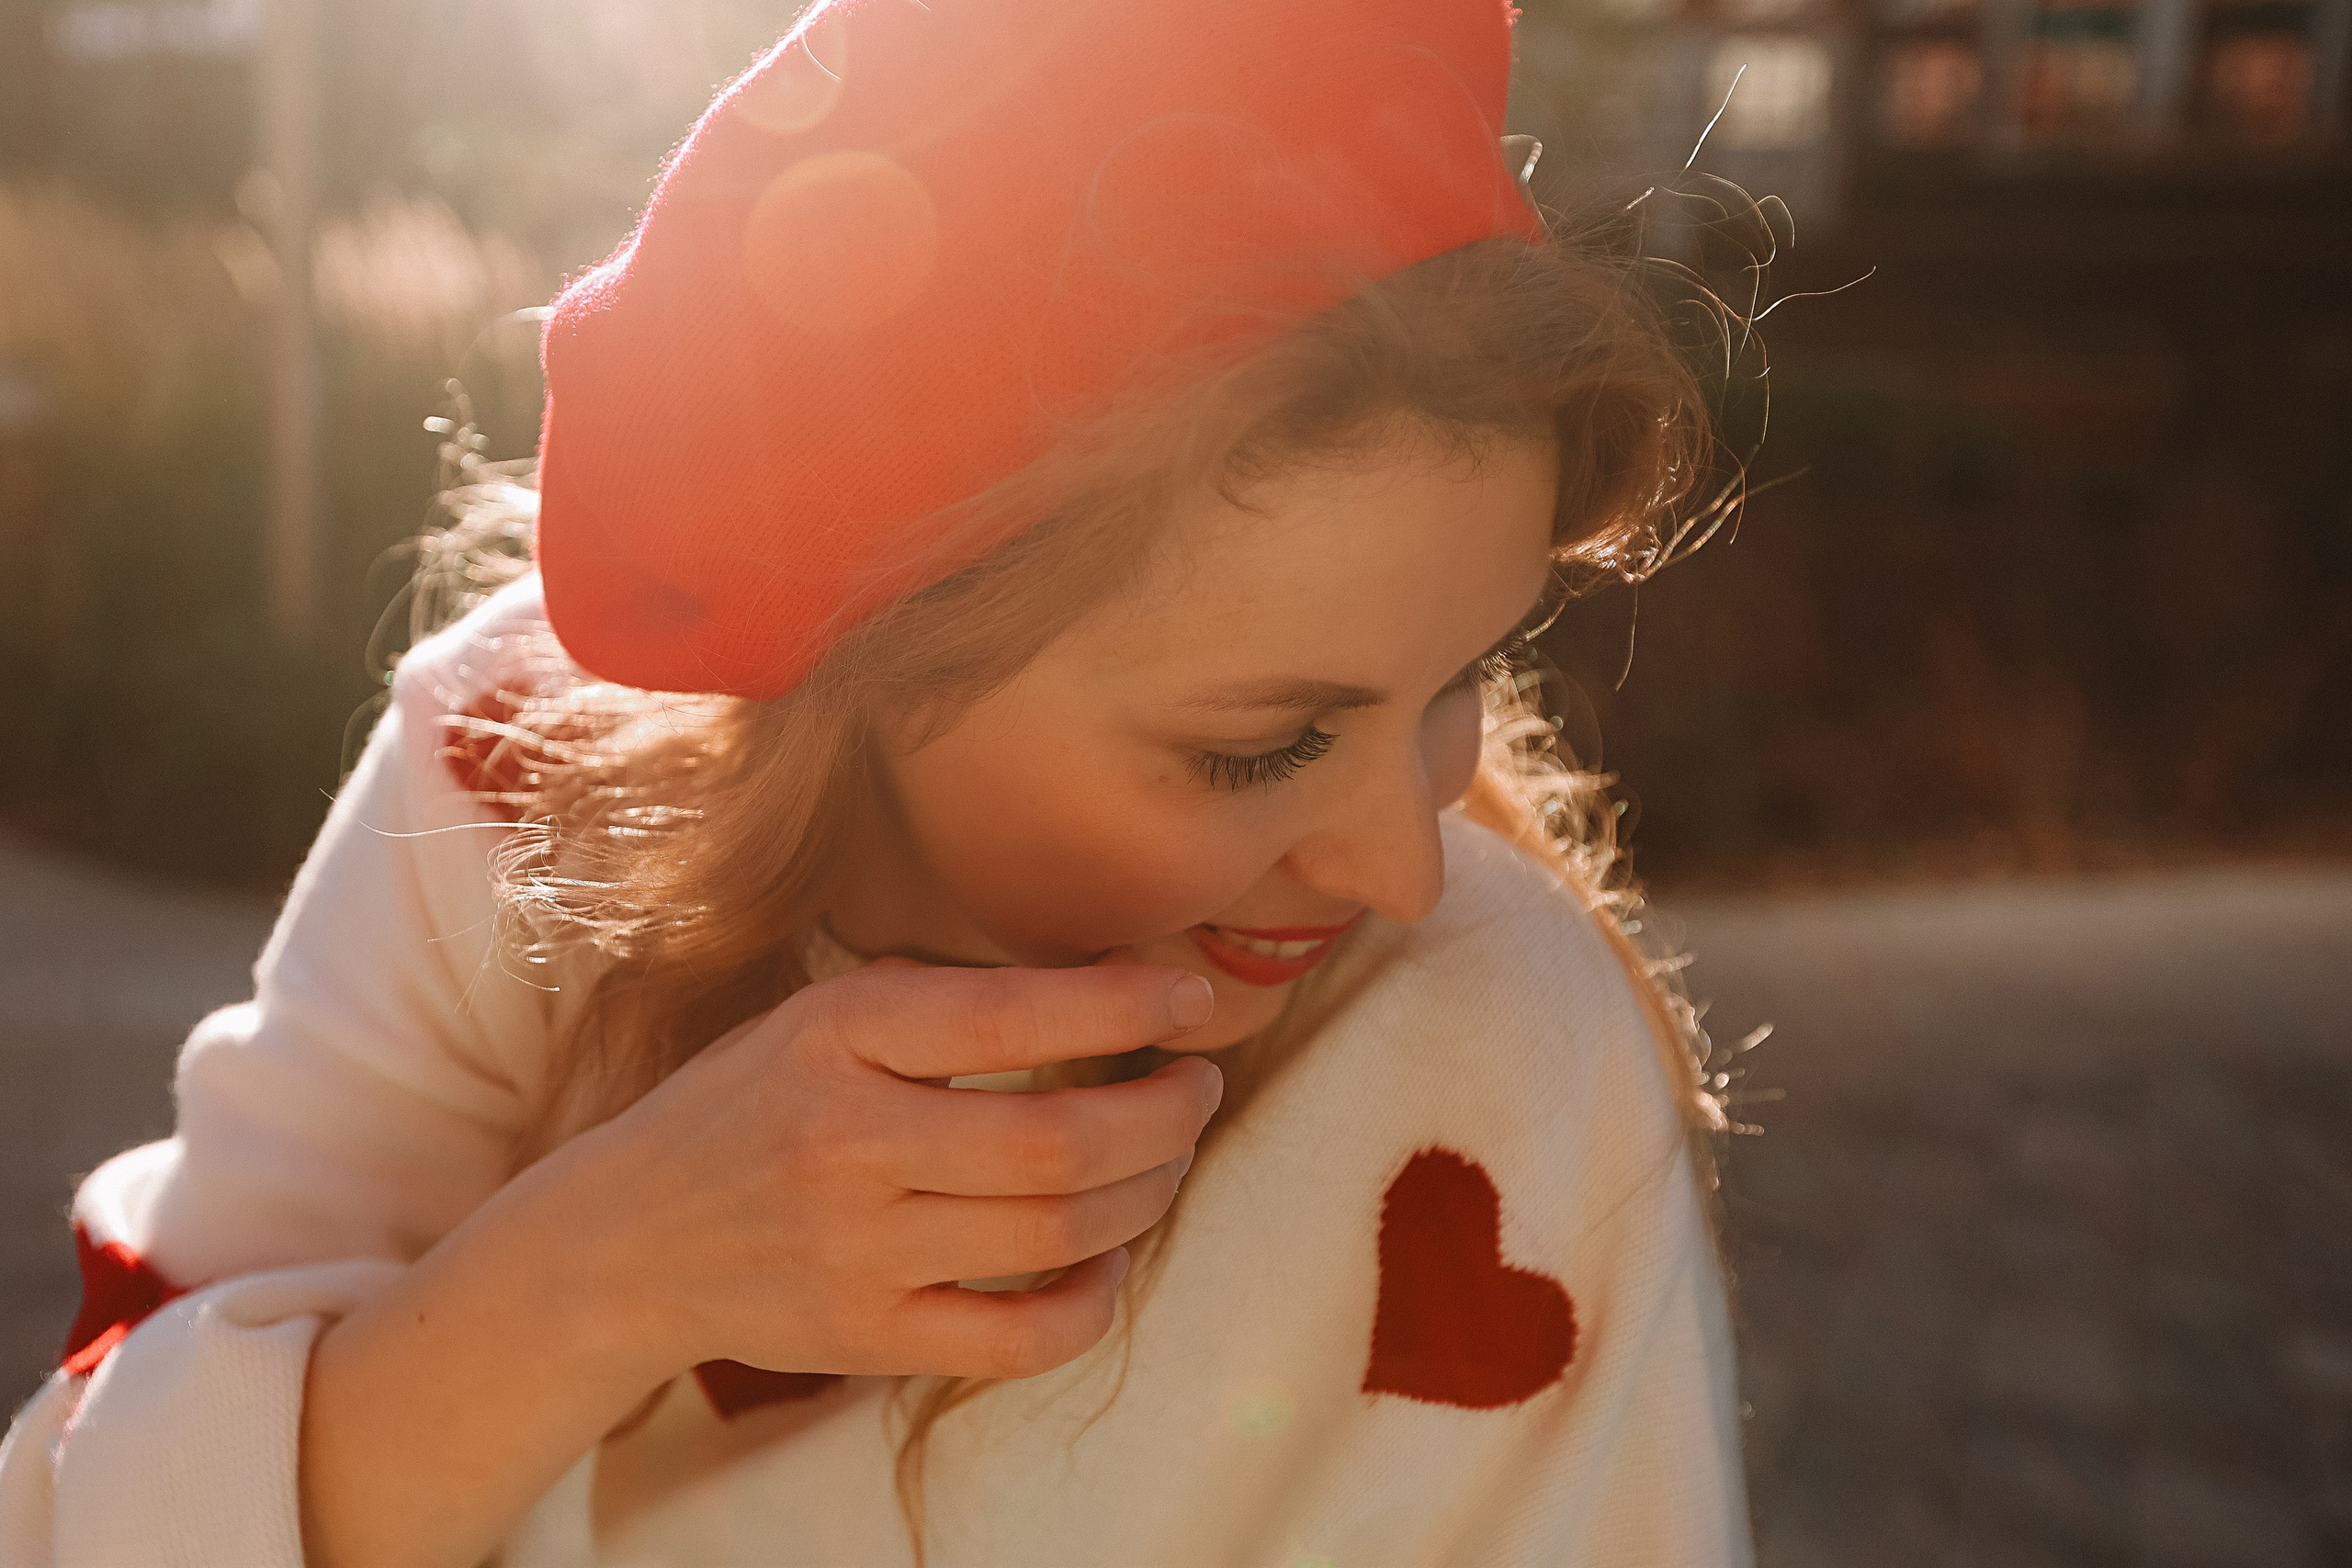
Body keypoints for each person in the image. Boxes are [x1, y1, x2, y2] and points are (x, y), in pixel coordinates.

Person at [0, 0, 1754, 1562]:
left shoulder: (1506, 1040)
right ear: (868, 654)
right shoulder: (499, 787)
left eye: (1463, 680)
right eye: (1257, 747)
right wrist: (615, 1260)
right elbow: (92, 1513)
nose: (1408, 864)